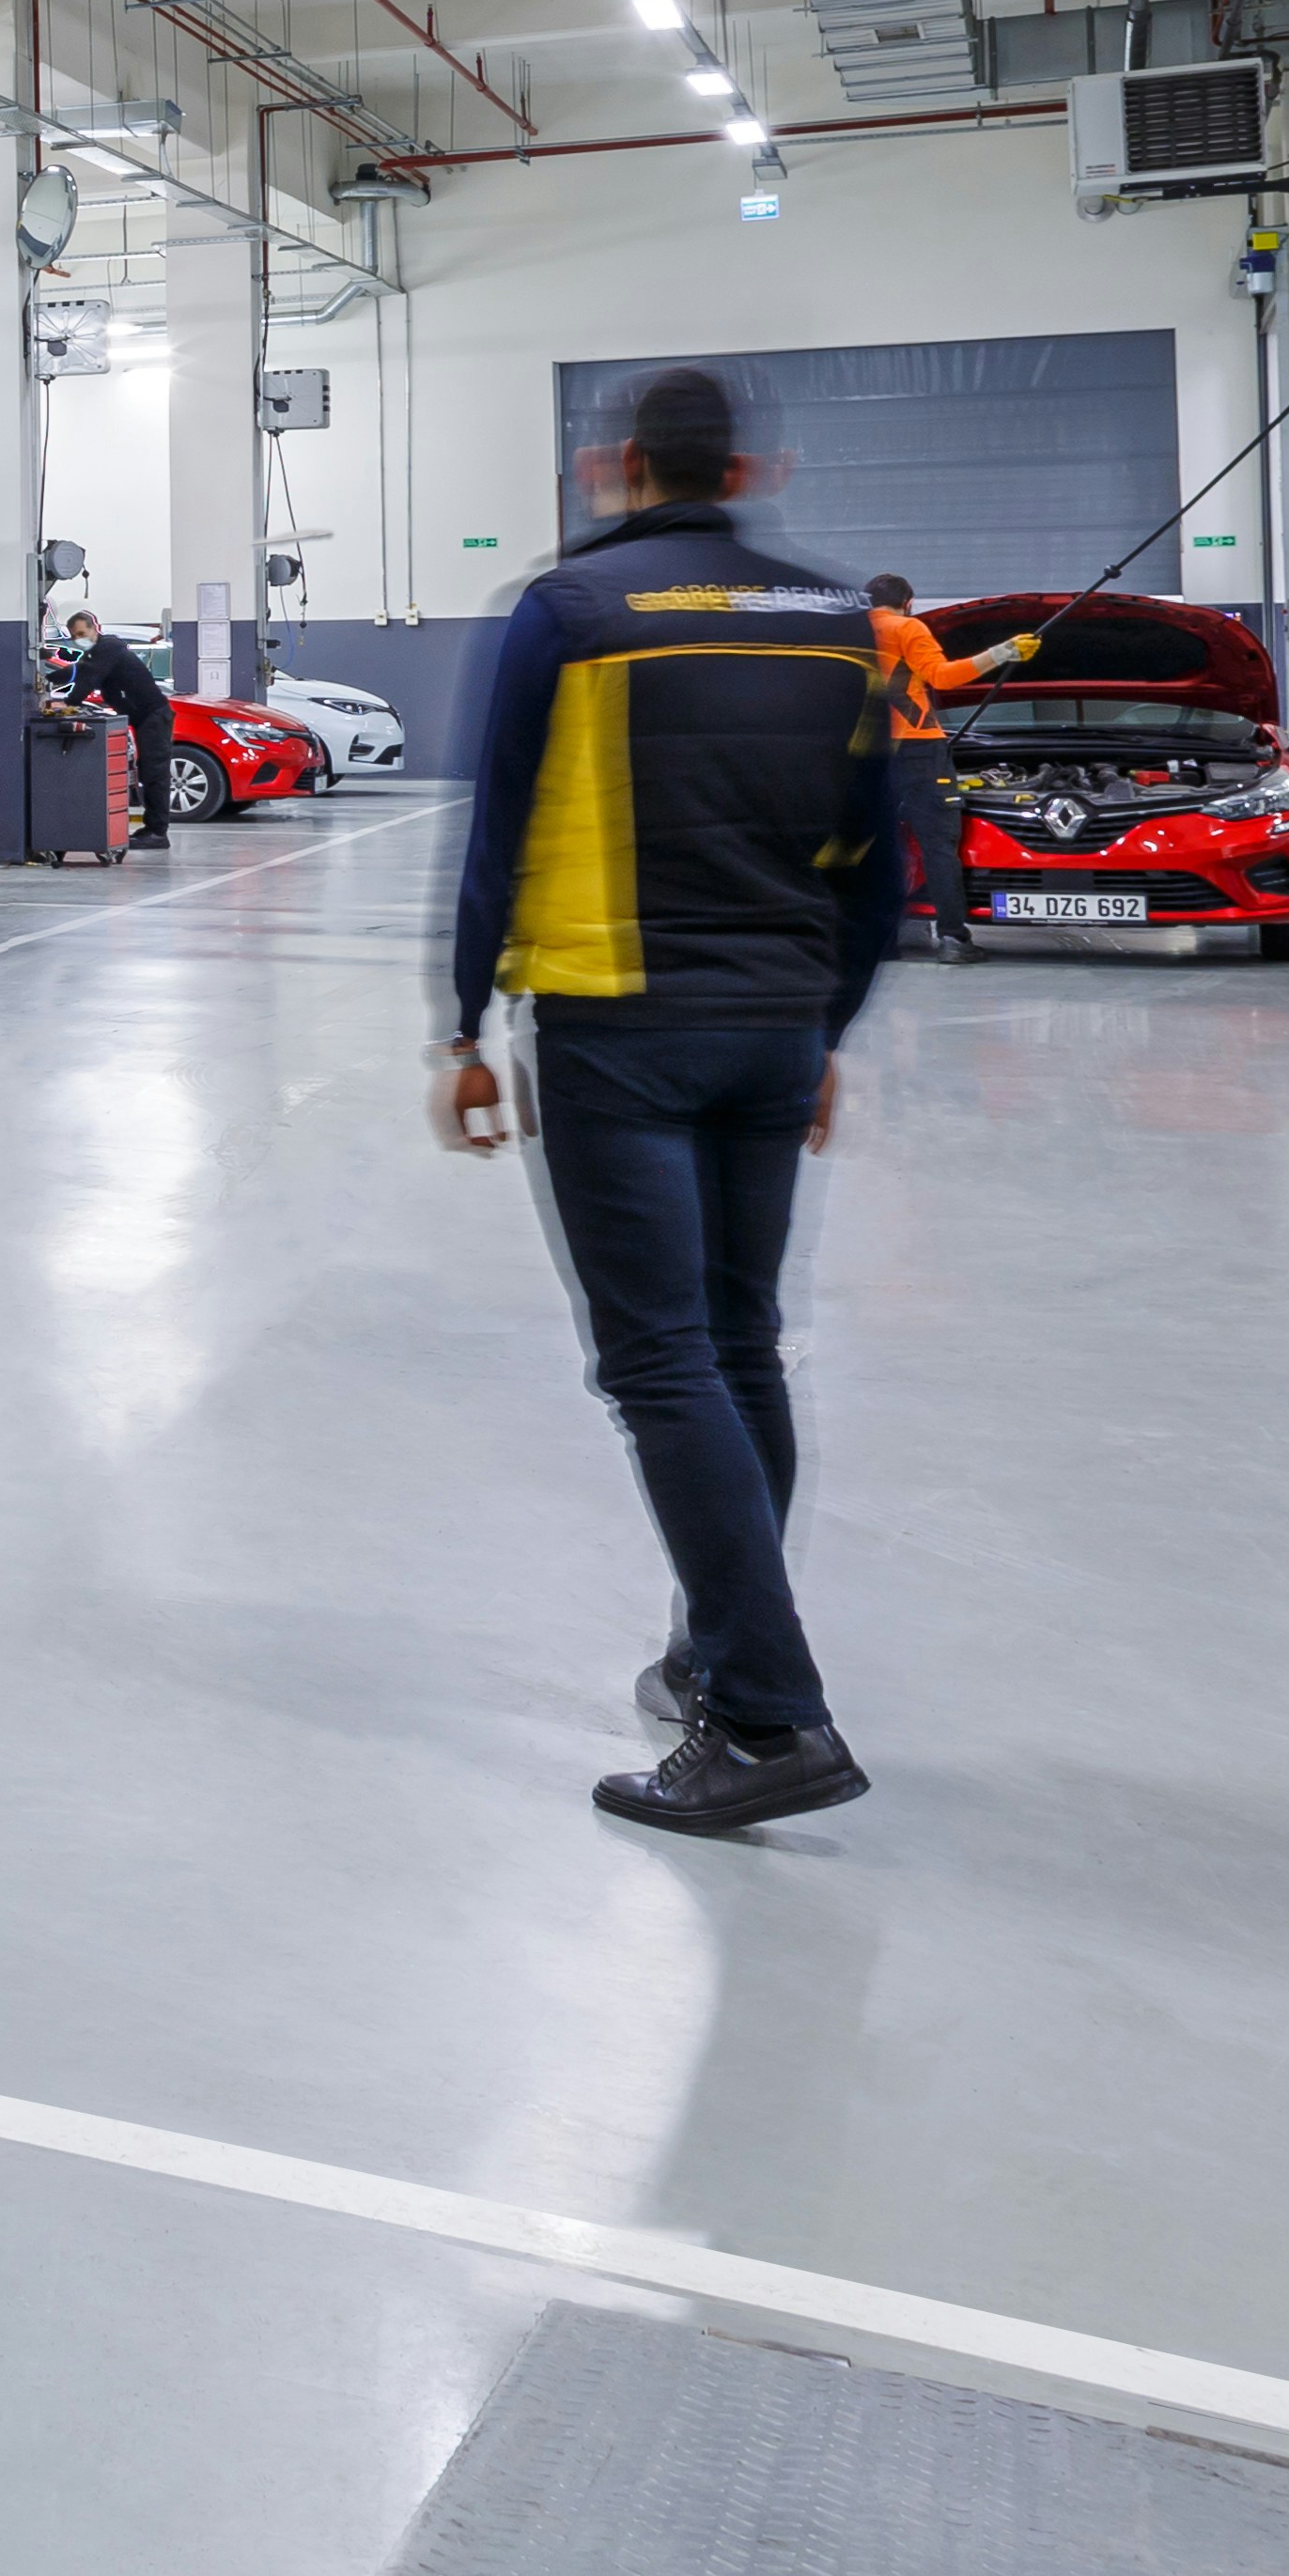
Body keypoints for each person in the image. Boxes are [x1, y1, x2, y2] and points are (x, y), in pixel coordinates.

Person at [435, 365, 909, 1834]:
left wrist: (460, 1021)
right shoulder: (841, 624)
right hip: (774, 1027)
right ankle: (717, 1646)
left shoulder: (573, 615)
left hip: (618, 1024)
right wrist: (826, 1027)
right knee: (740, 1338)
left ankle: (769, 1714)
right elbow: (884, 862)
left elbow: (499, 830)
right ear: (748, 472)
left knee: (658, 1360)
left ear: (622, 465)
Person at [863, 574, 1038, 946]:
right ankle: (953, 939)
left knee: (871, 844)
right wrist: (1002, 653)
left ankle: (877, 939)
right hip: (917, 748)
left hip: (866, 751)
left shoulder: (847, 634)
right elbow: (941, 678)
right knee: (938, 846)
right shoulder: (908, 627)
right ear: (908, 601)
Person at [70, 613, 181, 844]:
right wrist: (48, 674)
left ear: (94, 629)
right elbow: (78, 671)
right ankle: (152, 828)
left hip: (154, 716)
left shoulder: (108, 648)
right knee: (148, 772)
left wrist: (70, 702)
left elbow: (88, 679)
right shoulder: (97, 653)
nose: (78, 639)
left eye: (81, 633)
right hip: (144, 719)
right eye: (74, 636)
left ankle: (158, 833)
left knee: (154, 774)